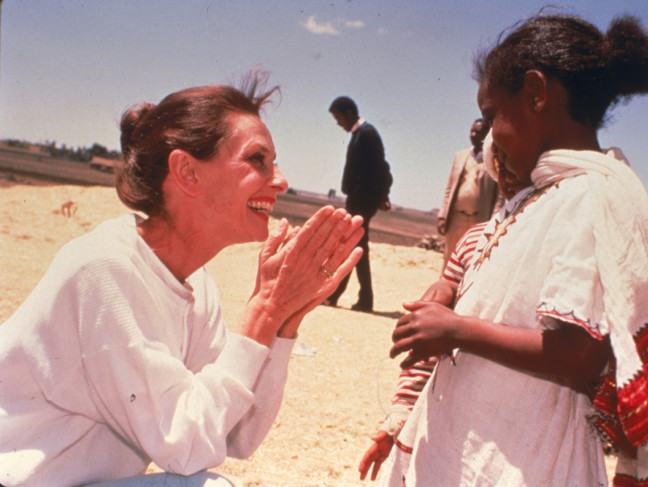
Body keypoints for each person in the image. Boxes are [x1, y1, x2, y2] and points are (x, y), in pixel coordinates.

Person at [0, 74, 365, 487]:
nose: (279, 180)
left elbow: (236, 434)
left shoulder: (196, 284)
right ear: (188, 173)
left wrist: (284, 323)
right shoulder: (104, 270)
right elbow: (185, 447)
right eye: (257, 160)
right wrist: (264, 310)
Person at [377, 13, 648, 487]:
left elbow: (580, 353)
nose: (490, 134)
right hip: (487, 444)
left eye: (491, 113)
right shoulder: (540, 195)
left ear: (536, 93)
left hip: (529, 461)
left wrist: (457, 329)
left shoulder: (592, 193)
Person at [359, 135, 531, 482]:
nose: (511, 173)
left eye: (520, 161)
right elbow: (427, 345)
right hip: (451, 426)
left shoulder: (557, 243)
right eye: (502, 162)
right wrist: (398, 417)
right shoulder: (473, 242)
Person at [324, 96, 393, 313]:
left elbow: (383, 168)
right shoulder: (359, 134)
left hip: (363, 201)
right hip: (358, 199)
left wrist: (381, 196)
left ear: (348, 113)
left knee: (353, 244)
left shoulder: (367, 133)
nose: (339, 124)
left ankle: (337, 296)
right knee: (357, 246)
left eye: (338, 118)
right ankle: (362, 299)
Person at [437, 119, 503, 267]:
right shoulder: (460, 156)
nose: (473, 135)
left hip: (478, 220)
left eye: (478, 132)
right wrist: (442, 215)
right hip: (456, 217)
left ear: (487, 134)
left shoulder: (494, 159)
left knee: (471, 261)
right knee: (449, 258)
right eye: (471, 131)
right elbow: (449, 188)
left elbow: (499, 196)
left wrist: (493, 222)